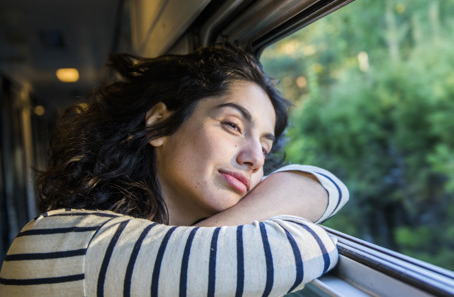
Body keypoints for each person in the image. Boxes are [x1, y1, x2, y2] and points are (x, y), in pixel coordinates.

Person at [0, 43, 349, 296]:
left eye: (265, 146)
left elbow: (323, 186)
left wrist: (208, 231)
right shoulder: (65, 245)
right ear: (157, 125)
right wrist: (213, 235)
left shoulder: (175, 256)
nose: (254, 158)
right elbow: (308, 246)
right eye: (232, 125)